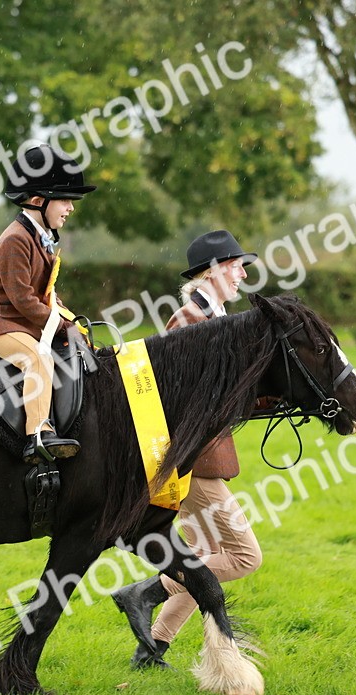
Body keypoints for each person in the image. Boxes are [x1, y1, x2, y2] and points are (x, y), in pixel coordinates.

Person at [111, 230, 265, 668]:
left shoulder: (217, 317)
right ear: (212, 271)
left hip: (202, 459)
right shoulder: (188, 320)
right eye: (236, 266)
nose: (243, 274)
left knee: (201, 556)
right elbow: (178, 396)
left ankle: (152, 648)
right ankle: (144, 592)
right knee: (244, 556)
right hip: (192, 463)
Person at [0, 144, 96, 464]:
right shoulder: (15, 239)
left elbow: (46, 294)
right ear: (38, 201)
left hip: (15, 321)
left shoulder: (41, 237)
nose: (70, 208)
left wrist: (71, 323)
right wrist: (59, 325)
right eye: (65, 200)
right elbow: (23, 299)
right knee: (37, 357)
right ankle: (38, 434)